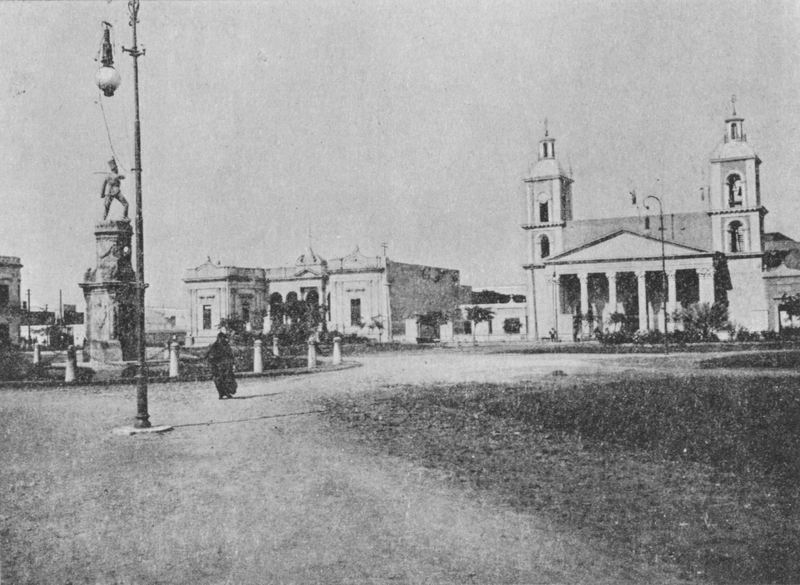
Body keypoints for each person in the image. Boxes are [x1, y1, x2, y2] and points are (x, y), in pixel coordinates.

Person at [205, 332, 237, 399]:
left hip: (225, 366)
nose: (223, 339)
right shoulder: (214, 346)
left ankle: (227, 393)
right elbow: (208, 355)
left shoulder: (226, 345)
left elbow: (230, 355)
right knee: (218, 381)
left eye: (223, 338)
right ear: (219, 338)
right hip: (217, 366)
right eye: (221, 338)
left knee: (227, 380)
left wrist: (232, 363)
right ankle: (221, 393)